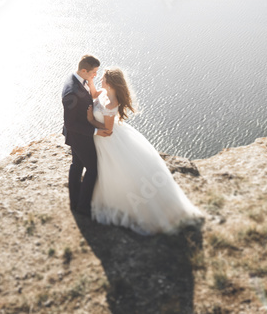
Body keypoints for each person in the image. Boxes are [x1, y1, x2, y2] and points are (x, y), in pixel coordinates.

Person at [87, 67, 206, 235]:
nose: (101, 80)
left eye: (103, 78)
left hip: (108, 141)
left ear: (111, 83)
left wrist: (91, 121)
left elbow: (107, 130)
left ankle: (130, 208)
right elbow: (94, 94)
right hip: (103, 141)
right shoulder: (104, 93)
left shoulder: (111, 103)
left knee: (118, 173)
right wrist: (90, 80)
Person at [61, 54, 112, 217]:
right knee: (93, 169)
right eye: (93, 73)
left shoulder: (78, 79)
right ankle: (83, 207)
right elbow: (70, 124)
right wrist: (96, 131)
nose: (95, 76)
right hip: (79, 136)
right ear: (84, 70)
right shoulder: (71, 92)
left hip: (79, 134)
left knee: (76, 165)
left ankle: (74, 201)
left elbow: (91, 94)